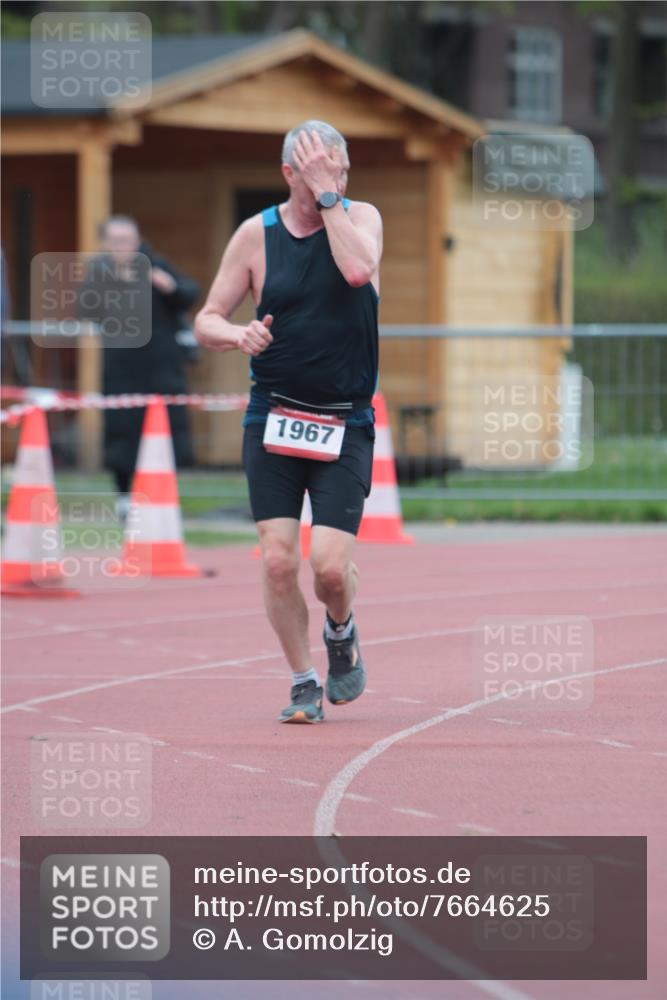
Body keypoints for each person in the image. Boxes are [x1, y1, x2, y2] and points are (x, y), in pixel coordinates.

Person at [195, 120, 383, 724]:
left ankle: (341, 627)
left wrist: (331, 197)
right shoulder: (256, 235)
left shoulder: (363, 219)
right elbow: (206, 317)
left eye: (342, 170)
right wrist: (234, 333)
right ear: (287, 174)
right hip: (272, 416)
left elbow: (357, 272)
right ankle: (304, 680)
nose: (336, 179)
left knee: (329, 566)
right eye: (320, 170)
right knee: (278, 559)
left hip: (343, 420)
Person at [80, 216, 200, 518]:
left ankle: (163, 498)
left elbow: (189, 295)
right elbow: (85, 309)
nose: (125, 248)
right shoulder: (99, 272)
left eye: (129, 241)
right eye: (117, 241)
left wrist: (169, 286)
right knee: (122, 433)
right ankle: (123, 497)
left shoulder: (155, 266)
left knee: (165, 433)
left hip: (161, 368)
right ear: (106, 244)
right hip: (121, 368)